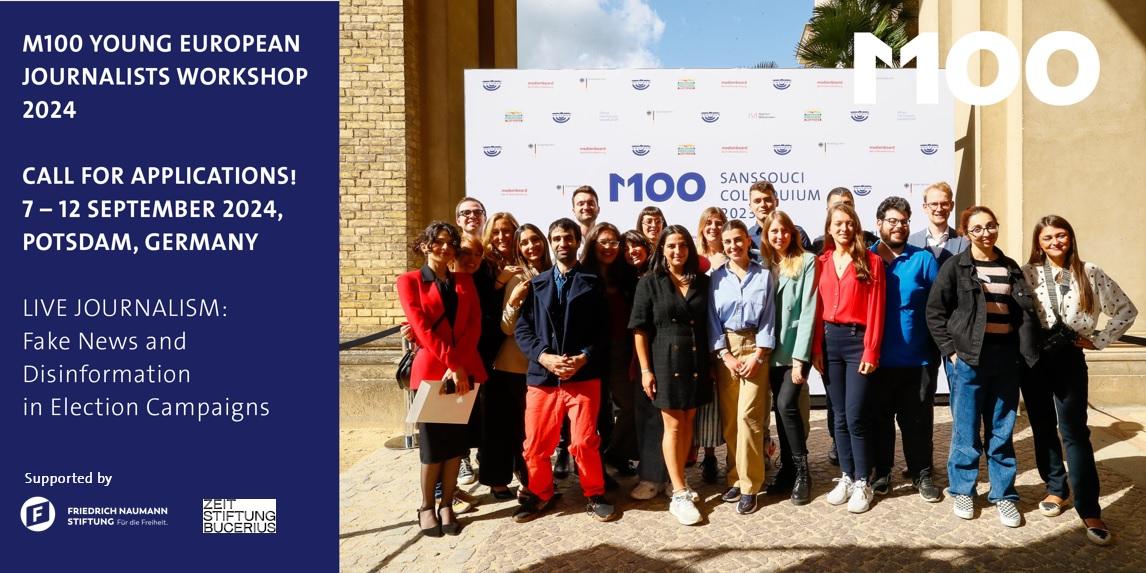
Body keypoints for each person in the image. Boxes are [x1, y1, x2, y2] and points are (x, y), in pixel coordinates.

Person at [1020, 215, 1137, 545]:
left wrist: (1100, 340)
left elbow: (1126, 310)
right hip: (1034, 359)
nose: (1055, 242)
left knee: (1074, 432)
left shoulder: (1091, 272)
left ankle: (1089, 507)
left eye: (1061, 235)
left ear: (1070, 237)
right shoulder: (1027, 273)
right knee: (1042, 427)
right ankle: (1056, 489)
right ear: (1038, 243)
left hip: (1069, 357)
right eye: (1048, 238)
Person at [926, 206, 1041, 528]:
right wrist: (950, 351)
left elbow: (1024, 314)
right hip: (969, 361)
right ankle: (963, 489)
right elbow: (935, 312)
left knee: (1001, 431)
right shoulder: (956, 267)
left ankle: (1004, 495)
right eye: (977, 229)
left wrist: (1026, 353)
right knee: (965, 432)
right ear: (965, 232)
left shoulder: (1011, 268)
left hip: (1005, 360)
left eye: (991, 226)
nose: (986, 233)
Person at [513, 218, 616, 523]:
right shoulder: (537, 283)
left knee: (584, 441)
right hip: (542, 377)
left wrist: (584, 357)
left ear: (576, 241)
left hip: (582, 375)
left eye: (567, 238)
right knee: (535, 444)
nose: (562, 243)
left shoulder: (593, 281)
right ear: (550, 242)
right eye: (556, 238)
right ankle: (541, 494)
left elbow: (603, 331)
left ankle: (595, 493)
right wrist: (543, 356)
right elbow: (523, 330)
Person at [396, 221, 487, 537]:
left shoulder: (464, 281)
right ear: (425, 245)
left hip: (462, 373)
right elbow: (422, 329)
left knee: (455, 446)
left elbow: (474, 325)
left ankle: (447, 503)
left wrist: (460, 365)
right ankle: (425, 506)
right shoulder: (409, 282)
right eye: (438, 242)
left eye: (451, 243)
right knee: (433, 449)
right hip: (433, 374)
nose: (445, 248)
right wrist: (453, 363)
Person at [630, 225, 713, 525]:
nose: (677, 251)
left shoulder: (702, 282)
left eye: (682, 245)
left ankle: (678, 483)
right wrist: (645, 370)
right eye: (671, 246)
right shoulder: (649, 282)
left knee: (689, 420)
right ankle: (678, 492)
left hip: (696, 361)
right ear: (662, 251)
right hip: (664, 361)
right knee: (673, 424)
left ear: (689, 249)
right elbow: (639, 330)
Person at [867, 197, 941, 502]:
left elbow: (938, 307)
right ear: (879, 224)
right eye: (893, 221)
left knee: (917, 422)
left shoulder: (923, 259)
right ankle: (881, 472)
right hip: (877, 360)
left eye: (905, 221)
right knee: (879, 420)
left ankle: (921, 472)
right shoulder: (867, 259)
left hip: (918, 359)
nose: (899, 227)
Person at [813, 203, 885, 514]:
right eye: (837, 223)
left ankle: (862, 481)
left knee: (856, 416)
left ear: (856, 227)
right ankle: (845, 475)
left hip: (858, 343)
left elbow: (877, 309)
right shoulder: (822, 262)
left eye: (849, 223)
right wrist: (816, 348)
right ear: (829, 229)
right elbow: (815, 310)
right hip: (830, 343)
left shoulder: (871, 261)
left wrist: (871, 349)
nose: (843, 228)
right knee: (839, 417)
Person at [707, 219, 776, 515]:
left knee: (749, 417)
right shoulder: (715, 278)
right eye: (728, 242)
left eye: (738, 240)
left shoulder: (764, 275)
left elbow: (770, 316)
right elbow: (711, 318)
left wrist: (758, 355)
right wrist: (725, 355)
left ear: (748, 241)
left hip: (755, 348)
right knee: (731, 420)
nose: (733, 246)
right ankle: (735, 475)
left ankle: (750, 484)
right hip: (728, 351)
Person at [486, 224, 553, 500]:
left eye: (535, 240)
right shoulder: (517, 277)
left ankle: (535, 479)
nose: (531, 246)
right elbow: (507, 327)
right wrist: (513, 301)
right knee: (516, 429)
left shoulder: (554, 272)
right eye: (524, 243)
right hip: (514, 365)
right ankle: (521, 482)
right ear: (518, 249)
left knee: (536, 430)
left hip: (544, 364)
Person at [758, 210, 817, 506]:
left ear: (792, 233)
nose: (779, 236)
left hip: (794, 350)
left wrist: (800, 358)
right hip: (769, 350)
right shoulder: (764, 264)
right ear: (766, 236)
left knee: (786, 404)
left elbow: (808, 310)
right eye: (773, 232)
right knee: (780, 411)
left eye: (784, 231)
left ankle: (803, 472)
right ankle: (788, 469)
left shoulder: (806, 261)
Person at [463, 212, 523, 486]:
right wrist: (500, 282)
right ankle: (496, 480)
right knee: (494, 422)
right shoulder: (483, 264)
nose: (502, 237)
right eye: (496, 232)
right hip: (489, 353)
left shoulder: (523, 260)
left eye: (507, 231)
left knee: (519, 421)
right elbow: (476, 305)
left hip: (518, 353)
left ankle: (524, 473)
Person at [582, 223, 640, 478]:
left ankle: (614, 454)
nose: (609, 247)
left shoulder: (625, 275)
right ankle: (594, 467)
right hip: (591, 352)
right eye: (603, 242)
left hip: (620, 351)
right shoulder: (582, 275)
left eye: (614, 242)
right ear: (593, 244)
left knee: (630, 407)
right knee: (595, 414)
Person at [621, 228, 670, 500]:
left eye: (636, 246)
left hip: (657, 352)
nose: (631, 252)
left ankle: (662, 476)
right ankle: (652, 475)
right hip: (634, 357)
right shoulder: (624, 278)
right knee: (646, 417)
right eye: (626, 248)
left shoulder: (659, 275)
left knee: (661, 419)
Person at [693, 207, 729, 483]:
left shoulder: (732, 254)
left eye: (719, 223)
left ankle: (734, 455)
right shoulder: (692, 257)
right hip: (699, 333)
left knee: (727, 398)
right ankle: (708, 455)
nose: (714, 227)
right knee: (707, 399)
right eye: (709, 223)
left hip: (728, 331)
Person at [907, 181, 968, 266]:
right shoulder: (911, 242)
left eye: (944, 204)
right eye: (934, 204)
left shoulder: (964, 242)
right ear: (925, 207)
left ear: (952, 206)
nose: (939, 209)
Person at [746, 180, 811, 255]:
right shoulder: (747, 238)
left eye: (767, 200)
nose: (763, 205)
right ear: (750, 206)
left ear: (776, 202)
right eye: (757, 201)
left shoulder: (797, 233)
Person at [810, 187, 880, 255]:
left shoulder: (871, 241)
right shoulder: (819, 245)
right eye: (837, 205)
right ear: (828, 210)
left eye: (848, 204)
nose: (843, 208)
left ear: (854, 207)